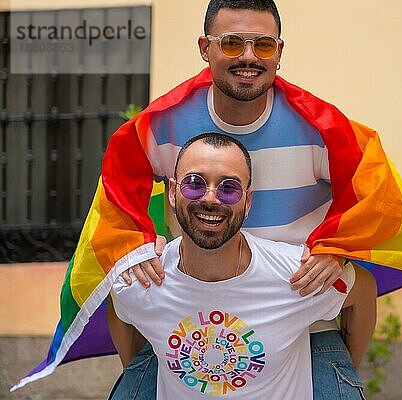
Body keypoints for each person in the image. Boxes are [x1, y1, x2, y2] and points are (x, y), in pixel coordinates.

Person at [108, 0, 376, 398]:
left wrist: (335, 250)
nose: (248, 57)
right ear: (205, 48)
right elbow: (118, 201)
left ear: (279, 52)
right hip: (191, 315)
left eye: (263, 45)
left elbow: (369, 204)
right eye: (232, 43)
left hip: (303, 316)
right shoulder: (158, 127)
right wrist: (135, 246)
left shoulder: (320, 129)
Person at [110, 132, 375, 399]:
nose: (211, 199)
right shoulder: (145, 278)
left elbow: (363, 290)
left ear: (247, 201)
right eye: (194, 184)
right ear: (172, 192)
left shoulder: (294, 275)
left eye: (228, 188)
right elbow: (119, 300)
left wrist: (347, 372)